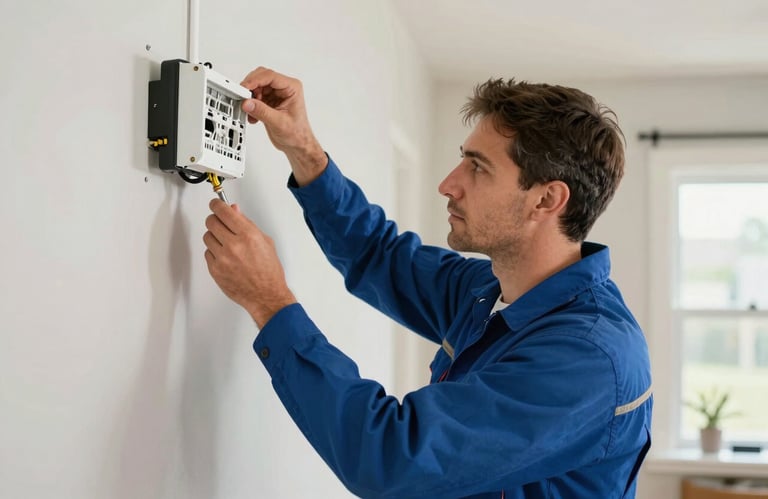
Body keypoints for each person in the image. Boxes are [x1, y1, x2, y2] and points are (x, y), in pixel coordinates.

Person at [202, 67, 652, 499]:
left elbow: (392, 458)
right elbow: (380, 256)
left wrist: (270, 303)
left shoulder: (585, 360)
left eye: (478, 168)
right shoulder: (493, 290)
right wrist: (303, 149)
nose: (448, 184)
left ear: (546, 199)